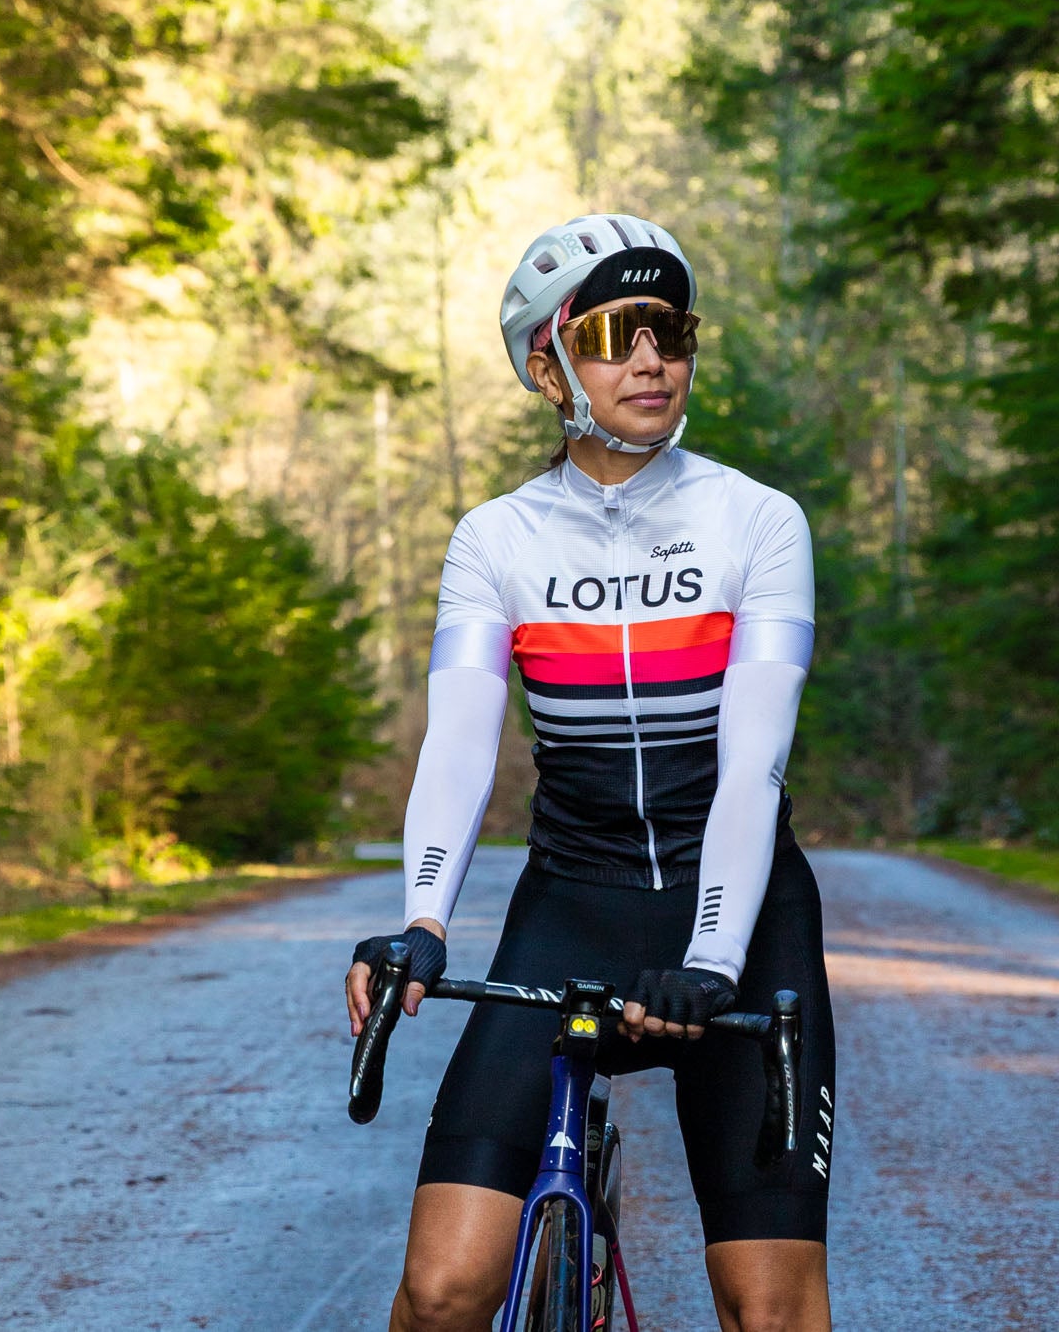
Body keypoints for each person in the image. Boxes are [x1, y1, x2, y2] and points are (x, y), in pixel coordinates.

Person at [344, 213, 836, 1332]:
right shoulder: (495, 541)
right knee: (440, 1290)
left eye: (669, 329)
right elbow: (462, 742)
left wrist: (710, 960)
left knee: (770, 1310)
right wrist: (421, 922)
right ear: (546, 362)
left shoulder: (757, 521)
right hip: (572, 909)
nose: (650, 359)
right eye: (616, 332)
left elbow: (751, 764)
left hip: (743, 927)